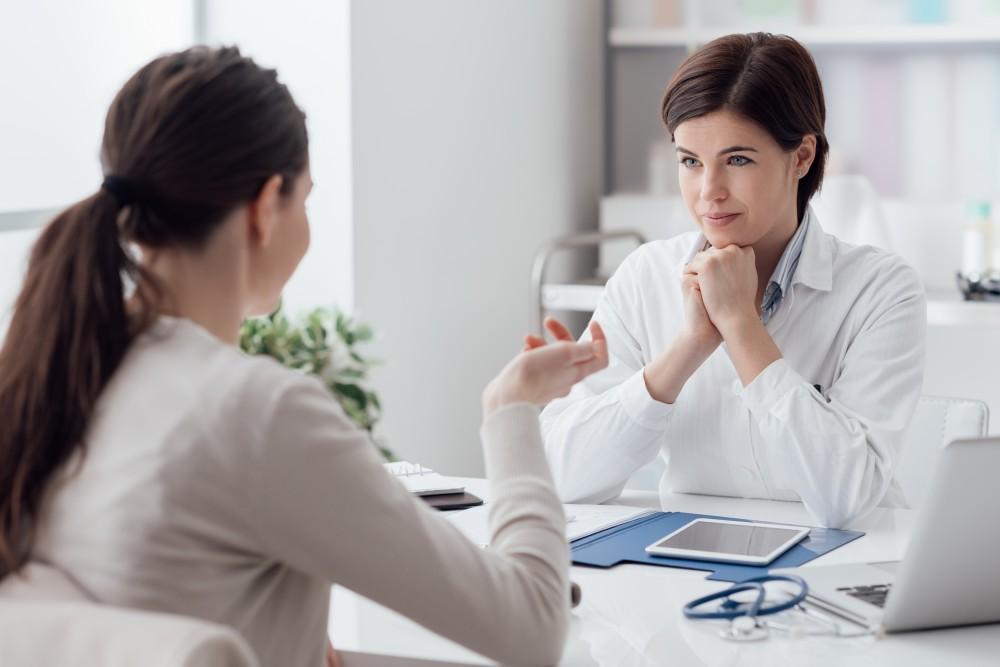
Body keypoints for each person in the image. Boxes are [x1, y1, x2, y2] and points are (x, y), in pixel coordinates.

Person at [0, 46, 609, 666]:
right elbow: (531, 631)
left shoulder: (56, 371)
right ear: (265, 208)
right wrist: (510, 410)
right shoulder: (253, 411)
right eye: (307, 200)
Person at [539, 33, 925, 529]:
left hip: (847, 567)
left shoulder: (881, 289)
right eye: (690, 162)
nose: (709, 192)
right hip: (689, 566)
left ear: (802, 156)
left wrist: (742, 327)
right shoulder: (644, 275)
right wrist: (692, 344)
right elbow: (564, 478)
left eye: (737, 160)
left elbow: (845, 499)